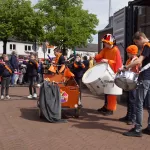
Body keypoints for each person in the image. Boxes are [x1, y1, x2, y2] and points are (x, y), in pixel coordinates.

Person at [122, 32, 150, 137]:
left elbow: (139, 60)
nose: (138, 45)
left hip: (145, 77)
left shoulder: (147, 45)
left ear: (141, 38)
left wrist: (126, 67)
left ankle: (137, 129)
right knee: (149, 104)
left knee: (139, 104)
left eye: (137, 42)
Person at [95, 34, 122, 116]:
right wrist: (96, 57)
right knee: (106, 91)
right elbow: (99, 56)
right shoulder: (105, 49)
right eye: (104, 42)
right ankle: (106, 106)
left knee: (112, 92)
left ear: (111, 42)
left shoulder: (116, 50)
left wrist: (107, 61)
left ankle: (111, 109)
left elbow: (118, 64)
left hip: (113, 73)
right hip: (106, 72)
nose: (105, 44)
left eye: (106, 42)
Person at [119, 45, 139, 125]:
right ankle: (128, 116)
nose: (127, 54)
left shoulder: (136, 60)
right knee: (129, 100)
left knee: (133, 100)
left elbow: (136, 70)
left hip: (134, 82)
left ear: (132, 53)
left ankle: (132, 118)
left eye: (128, 52)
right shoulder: (129, 60)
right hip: (129, 82)